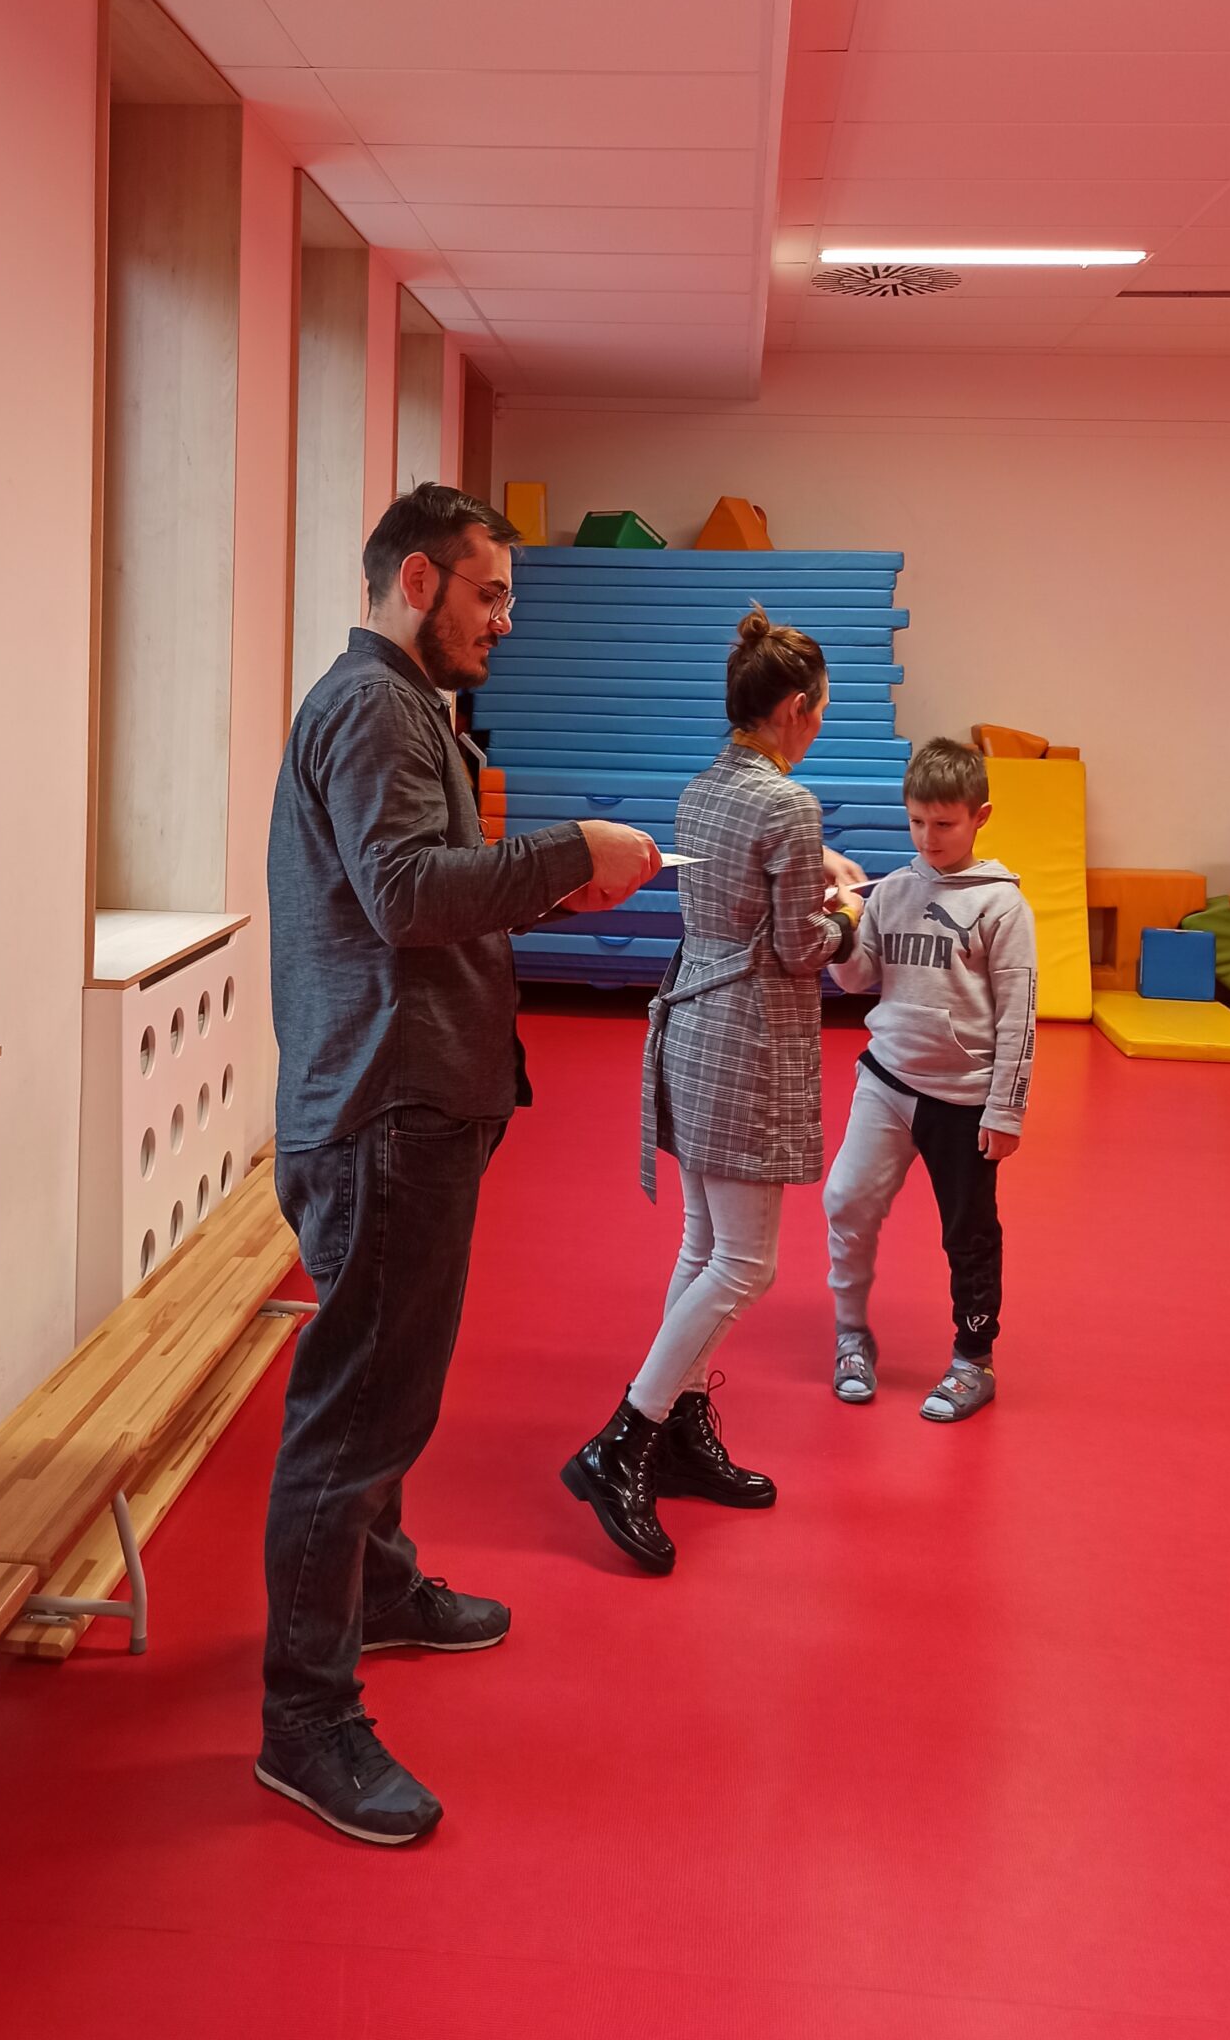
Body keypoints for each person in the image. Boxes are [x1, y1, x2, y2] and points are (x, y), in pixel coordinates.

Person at [257, 483, 659, 1845]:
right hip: (381, 1112)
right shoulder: (374, 708)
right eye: (489, 596)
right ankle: (303, 1719)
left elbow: (422, 890)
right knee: (354, 1417)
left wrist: (548, 880)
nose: (503, 622)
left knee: (388, 1398)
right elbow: (406, 896)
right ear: (418, 581)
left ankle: (376, 1588)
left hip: (402, 1102)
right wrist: (563, 854)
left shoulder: (399, 705)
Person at [561, 610, 865, 1574]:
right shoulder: (790, 805)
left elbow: (742, 894)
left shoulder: (704, 789)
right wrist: (848, 918)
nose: (820, 726)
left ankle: (683, 1429)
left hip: (693, 1020)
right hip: (747, 1038)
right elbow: (796, 949)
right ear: (794, 707)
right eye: (819, 711)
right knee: (745, 1262)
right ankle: (627, 1438)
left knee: (703, 1245)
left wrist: (810, 878)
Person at [821, 736, 1038, 1423]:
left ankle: (974, 1361)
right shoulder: (892, 892)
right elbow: (855, 979)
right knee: (844, 1200)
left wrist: (1006, 1110)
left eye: (944, 823)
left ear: (980, 817)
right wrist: (839, 924)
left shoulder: (1002, 906)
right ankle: (851, 1337)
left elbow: (1019, 1015)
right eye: (916, 821)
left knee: (968, 1232)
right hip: (887, 1080)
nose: (928, 836)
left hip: (964, 1097)